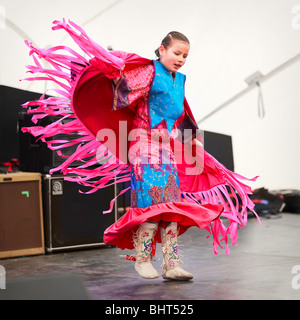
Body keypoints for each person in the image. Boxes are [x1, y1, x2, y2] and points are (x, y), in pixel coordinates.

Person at [22, 19, 260, 281]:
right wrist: (109, 72)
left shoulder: (179, 80)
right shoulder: (149, 71)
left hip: (166, 151)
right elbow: (121, 95)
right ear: (161, 50)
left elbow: (181, 114)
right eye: (176, 53)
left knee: (171, 208)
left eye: (185, 56)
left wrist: (194, 140)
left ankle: (171, 265)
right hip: (143, 147)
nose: (181, 59)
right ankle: (143, 259)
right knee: (150, 205)